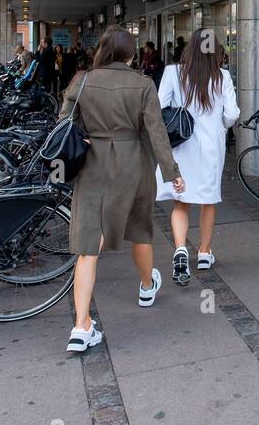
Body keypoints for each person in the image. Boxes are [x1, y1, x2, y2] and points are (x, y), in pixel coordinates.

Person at [62, 27, 186, 353]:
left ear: (102, 50)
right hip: (134, 164)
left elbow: (64, 125)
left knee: (89, 245)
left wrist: (88, 140)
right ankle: (147, 286)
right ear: (130, 54)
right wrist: (173, 173)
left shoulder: (82, 81)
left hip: (92, 165)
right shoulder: (143, 84)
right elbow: (158, 133)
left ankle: (81, 325)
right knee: (140, 230)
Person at [156, 29, 240, 284]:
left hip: (181, 144)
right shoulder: (222, 76)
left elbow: (159, 107)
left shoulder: (173, 72)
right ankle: (204, 252)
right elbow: (232, 113)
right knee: (208, 200)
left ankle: (181, 248)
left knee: (180, 201)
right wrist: (221, 125)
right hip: (211, 145)